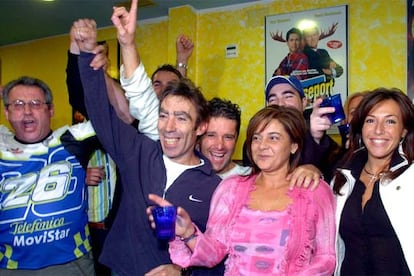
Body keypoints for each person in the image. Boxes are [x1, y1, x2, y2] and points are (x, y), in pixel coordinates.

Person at [149, 105, 336, 275]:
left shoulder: (314, 190)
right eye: (256, 138)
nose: (262, 146)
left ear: (294, 146)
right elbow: (214, 252)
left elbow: (326, 259)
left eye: (273, 138)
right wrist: (188, 232)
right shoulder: (231, 188)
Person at [0, 76, 97, 274]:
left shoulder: (72, 139)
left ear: (51, 109)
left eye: (36, 103)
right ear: (6, 112)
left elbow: (121, 118)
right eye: (18, 104)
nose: (27, 111)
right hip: (11, 266)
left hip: (71, 265)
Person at [332, 87, 414, 275]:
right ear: (361, 127)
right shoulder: (342, 176)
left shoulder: (411, 177)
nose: (379, 130)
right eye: (370, 120)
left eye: (390, 121)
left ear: (404, 131)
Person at [243, 75, 342, 181]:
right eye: (273, 99)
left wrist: (315, 138)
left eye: (288, 96)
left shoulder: (328, 145)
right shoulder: (255, 143)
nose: (280, 104)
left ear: (304, 102)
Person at [199, 97, 251, 179]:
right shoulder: (185, 177)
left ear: (236, 139)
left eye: (228, 137)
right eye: (211, 135)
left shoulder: (249, 178)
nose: (220, 146)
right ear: (199, 138)